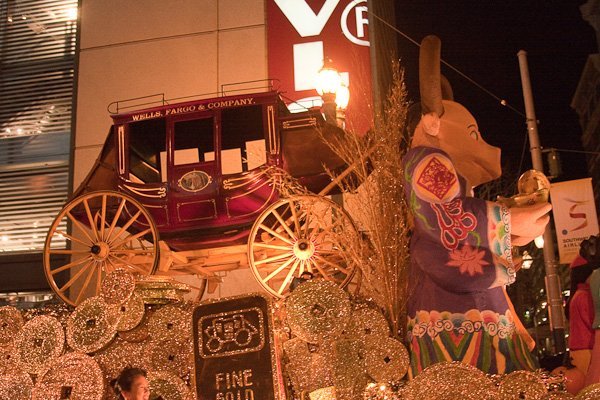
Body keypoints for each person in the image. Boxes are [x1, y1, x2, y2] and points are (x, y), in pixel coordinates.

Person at [565, 254, 595, 374]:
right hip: (588, 350)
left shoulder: (578, 295)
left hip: (581, 350)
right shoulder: (585, 296)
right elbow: (593, 322)